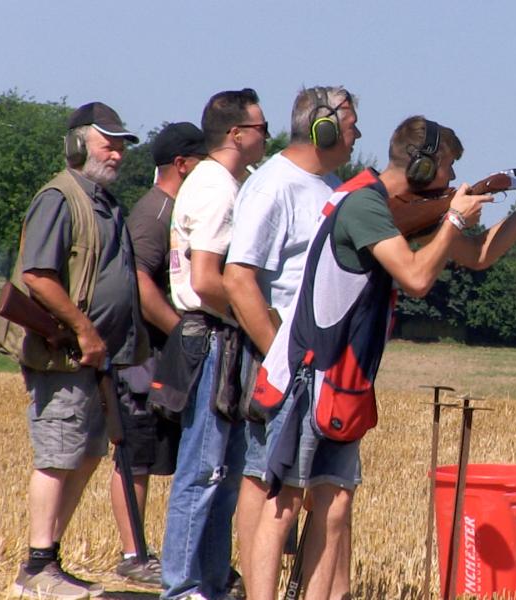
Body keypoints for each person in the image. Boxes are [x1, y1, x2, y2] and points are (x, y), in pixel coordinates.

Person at [251, 116, 516, 600]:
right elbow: (416, 279)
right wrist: (452, 218)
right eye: (447, 168)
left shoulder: (387, 211)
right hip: (310, 372)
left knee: (336, 504)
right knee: (283, 504)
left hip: (343, 381)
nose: (450, 181)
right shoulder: (364, 204)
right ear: (422, 165)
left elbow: (479, 256)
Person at [0, 102, 146, 599]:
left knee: (83, 455)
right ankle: (37, 567)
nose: (119, 153)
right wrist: (84, 330)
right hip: (64, 354)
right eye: (109, 143)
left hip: (95, 358)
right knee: (59, 454)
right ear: (78, 145)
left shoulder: (105, 201)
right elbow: (38, 276)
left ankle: (49, 559)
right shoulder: (60, 197)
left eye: (122, 145)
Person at [223, 86, 359, 599]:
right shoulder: (274, 185)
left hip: (324, 369)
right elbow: (238, 278)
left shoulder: (332, 185)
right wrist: (282, 358)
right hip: (288, 366)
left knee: (323, 492)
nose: (357, 134)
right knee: (270, 488)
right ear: (322, 126)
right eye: (351, 124)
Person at [158, 89, 267, 600]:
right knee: (202, 472)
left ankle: (211, 582)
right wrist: (260, 316)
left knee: (219, 477)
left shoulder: (215, 181)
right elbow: (205, 278)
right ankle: (181, 589)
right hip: (215, 337)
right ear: (236, 134)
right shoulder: (218, 188)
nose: (267, 137)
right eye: (261, 128)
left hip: (215, 336)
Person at [109, 122, 206, 586]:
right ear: (183, 164)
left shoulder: (178, 207)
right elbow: (141, 282)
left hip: (161, 353)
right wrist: (184, 334)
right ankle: (134, 556)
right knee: (137, 457)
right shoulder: (155, 213)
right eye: (202, 160)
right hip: (141, 357)